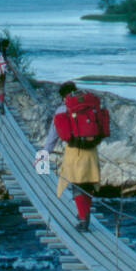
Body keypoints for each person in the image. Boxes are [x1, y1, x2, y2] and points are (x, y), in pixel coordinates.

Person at [38, 81, 103, 233]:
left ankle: (83, 219)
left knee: (77, 185)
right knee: (88, 183)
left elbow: (53, 137)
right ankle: (84, 214)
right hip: (92, 151)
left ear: (63, 97)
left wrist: (44, 154)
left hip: (74, 152)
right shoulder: (90, 106)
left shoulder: (63, 109)